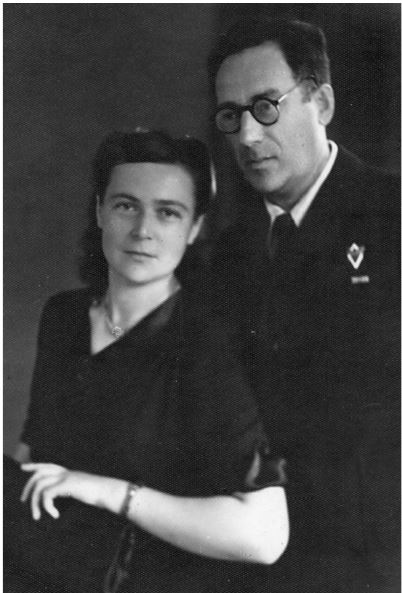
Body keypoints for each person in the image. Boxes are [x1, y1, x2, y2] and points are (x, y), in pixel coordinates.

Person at [5, 130, 289, 593]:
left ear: (194, 228)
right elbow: (35, 454)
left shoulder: (207, 345)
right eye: (126, 206)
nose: (143, 230)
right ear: (100, 211)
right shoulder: (63, 316)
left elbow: (264, 535)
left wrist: (106, 491)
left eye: (168, 212)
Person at [207, 17, 400, 593]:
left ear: (322, 103)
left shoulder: (393, 217)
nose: (247, 136)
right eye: (231, 115)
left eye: (266, 106)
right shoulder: (224, 255)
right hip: (255, 564)